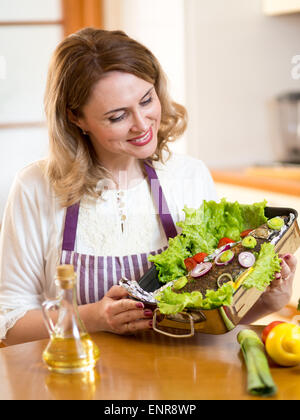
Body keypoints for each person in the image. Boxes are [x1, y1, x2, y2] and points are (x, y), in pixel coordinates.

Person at [0, 28, 297, 345]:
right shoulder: (36, 187)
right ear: (77, 118)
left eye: (146, 100)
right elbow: (11, 323)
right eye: (117, 116)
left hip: (181, 381)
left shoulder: (189, 176)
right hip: (80, 381)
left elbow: (215, 317)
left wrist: (271, 298)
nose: (142, 125)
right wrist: (95, 318)